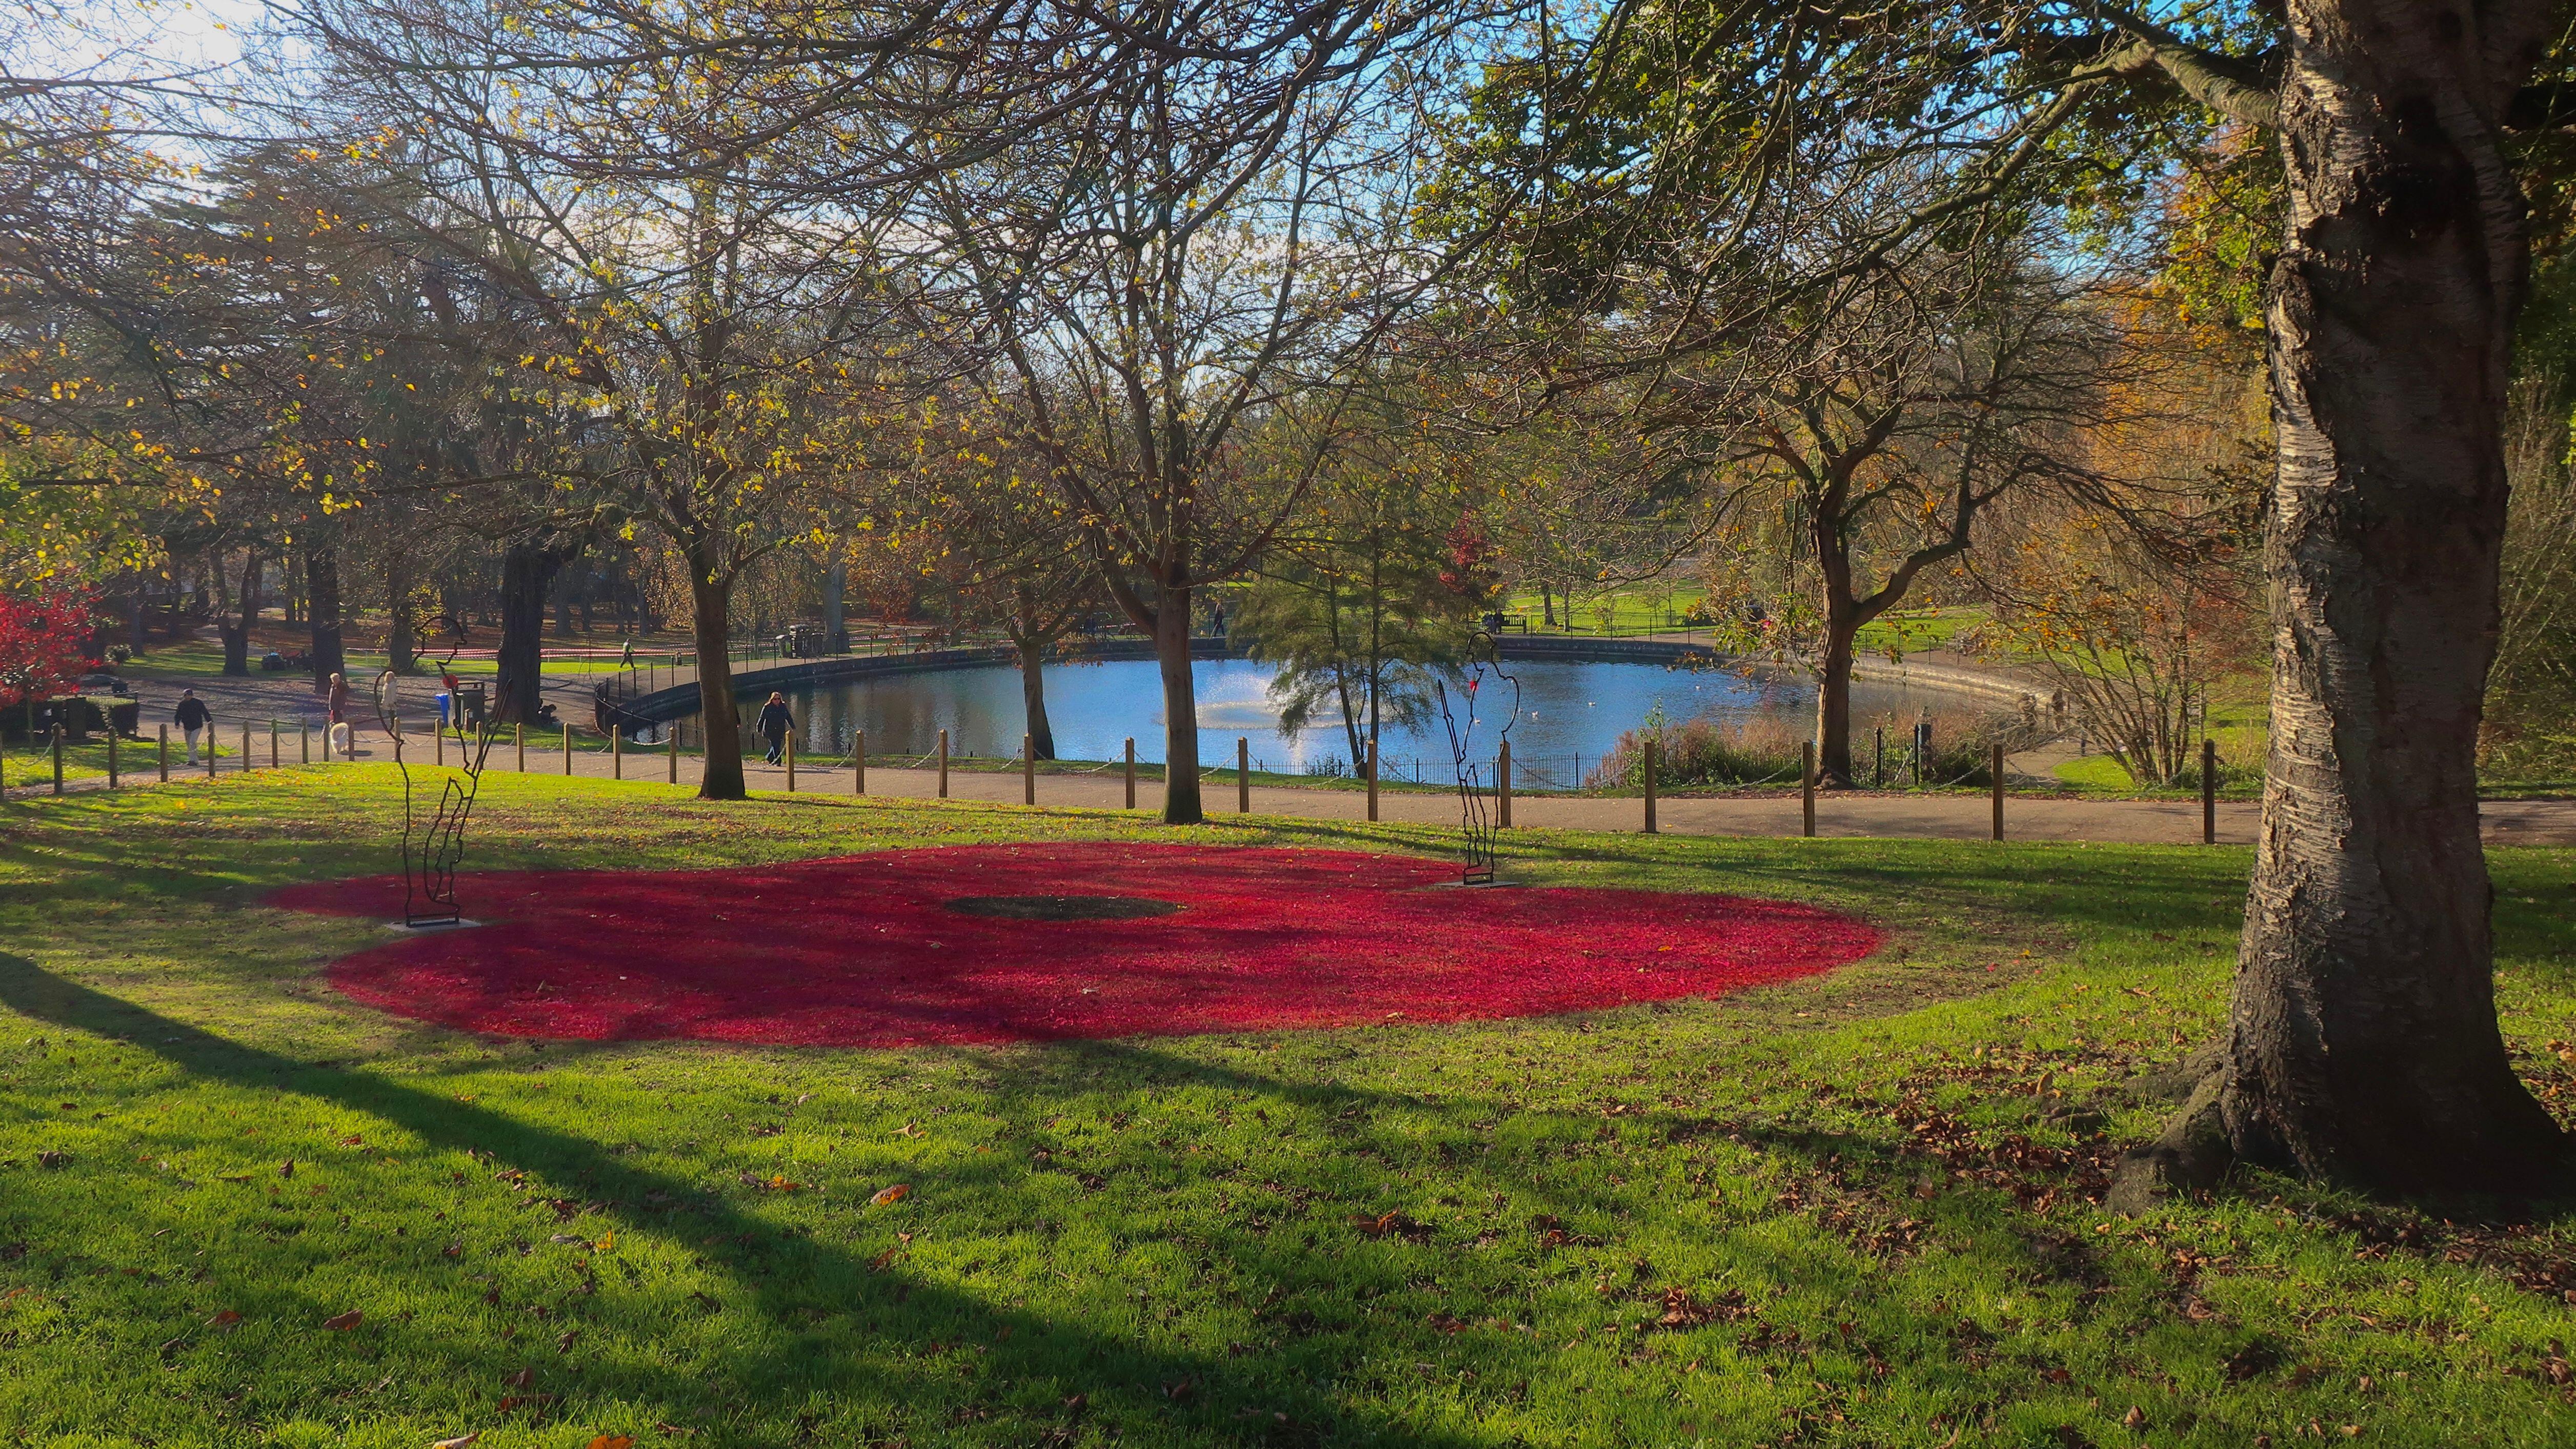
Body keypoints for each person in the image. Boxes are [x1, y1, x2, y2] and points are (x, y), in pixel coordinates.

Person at [173, 689, 211, 763]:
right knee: (188, 743)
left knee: (193, 742)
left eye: (189, 695)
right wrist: (177, 723)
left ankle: (194, 760)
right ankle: (192, 760)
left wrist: (209, 721)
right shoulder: (182, 704)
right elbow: (178, 714)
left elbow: (205, 712)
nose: (188, 697)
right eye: (186, 695)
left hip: (197, 726)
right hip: (187, 726)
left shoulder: (198, 703)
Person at [756, 691, 793, 766]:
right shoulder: (767, 707)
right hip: (770, 730)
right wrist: (759, 728)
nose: (777, 701)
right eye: (775, 699)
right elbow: (762, 718)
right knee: (776, 745)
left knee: (776, 745)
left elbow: (788, 717)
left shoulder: (783, 706)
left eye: (779, 699)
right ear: (772, 699)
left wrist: (792, 726)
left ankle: (769, 757)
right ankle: (778, 761)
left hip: (780, 729)